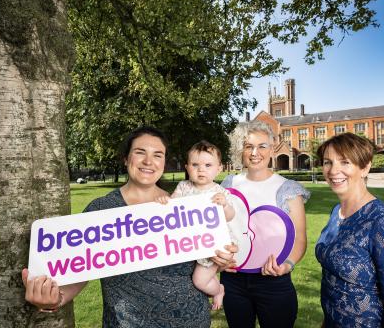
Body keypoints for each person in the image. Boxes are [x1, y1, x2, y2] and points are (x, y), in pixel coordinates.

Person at [22, 126, 237, 327]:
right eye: (140, 152)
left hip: (192, 320)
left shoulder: (186, 206)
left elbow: (206, 252)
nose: (148, 161)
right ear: (126, 158)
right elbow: (81, 269)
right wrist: (53, 299)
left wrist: (221, 258)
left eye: (157, 155)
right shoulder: (102, 210)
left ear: (164, 162)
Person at [315, 132, 384, 327]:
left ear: (365, 167)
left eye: (345, 162)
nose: (333, 170)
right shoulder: (337, 212)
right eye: (327, 162)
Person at [220, 120, 310, 328]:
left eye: (262, 146)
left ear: (272, 148)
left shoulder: (288, 189)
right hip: (233, 280)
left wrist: (287, 265)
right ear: (240, 150)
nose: (255, 153)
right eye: (248, 146)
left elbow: (300, 238)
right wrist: (219, 260)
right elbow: (217, 231)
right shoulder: (228, 185)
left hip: (273, 281)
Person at [156, 140, 235, 310]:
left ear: (219, 168)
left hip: (213, 244)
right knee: (194, 273)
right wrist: (166, 201)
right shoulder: (184, 187)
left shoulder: (219, 192)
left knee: (199, 280)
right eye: (195, 164)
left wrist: (225, 206)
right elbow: (172, 207)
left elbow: (229, 216)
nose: (201, 169)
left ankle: (218, 290)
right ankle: (214, 283)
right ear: (187, 167)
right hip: (189, 242)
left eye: (208, 165)